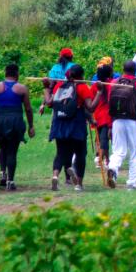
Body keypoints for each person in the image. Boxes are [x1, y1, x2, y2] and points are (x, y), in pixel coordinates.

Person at [0, 63, 36, 191]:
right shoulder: (22, 89)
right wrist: (31, 126)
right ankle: (10, 181)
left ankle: (2, 174)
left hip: (0, 120)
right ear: (17, 74)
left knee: (2, 148)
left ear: (5, 74)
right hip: (15, 121)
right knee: (12, 151)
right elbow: (28, 109)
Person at [105, 61, 136, 190]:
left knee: (118, 151)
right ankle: (131, 183)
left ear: (123, 69)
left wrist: (109, 126)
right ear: (135, 70)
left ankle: (113, 169)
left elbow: (110, 105)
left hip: (117, 121)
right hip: (133, 122)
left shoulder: (113, 83)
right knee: (135, 152)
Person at [46, 64, 88, 192]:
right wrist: (100, 92)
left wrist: (46, 88)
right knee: (80, 153)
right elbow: (90, 107)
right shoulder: (82, 87)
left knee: (61, 152)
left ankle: (55, 175)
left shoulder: (59, 86)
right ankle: (78, 184)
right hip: (76, 124)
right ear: (81, 75)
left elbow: (49, 103)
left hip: (60, 123)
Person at [81, 60, 113, 173]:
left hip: (98, 116)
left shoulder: (97, 86)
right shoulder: (109, 85)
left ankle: (107, 159)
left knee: (103, 139)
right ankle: (100, 158)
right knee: (104, 140)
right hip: (106, 117)